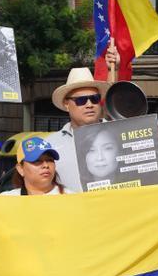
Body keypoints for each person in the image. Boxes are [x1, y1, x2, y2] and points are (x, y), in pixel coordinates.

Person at [45, 46, 119, 193]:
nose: (89, 104)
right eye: (81, 100)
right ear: (67, 104)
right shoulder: (50, 145)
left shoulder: (118, 134)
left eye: (94, 99)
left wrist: (114, 69)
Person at [1, 136, 68, 196]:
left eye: (50, 160)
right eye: (37, 161)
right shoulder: (6, 200)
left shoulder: (71, 198)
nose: (46, 165)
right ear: (20, 169)